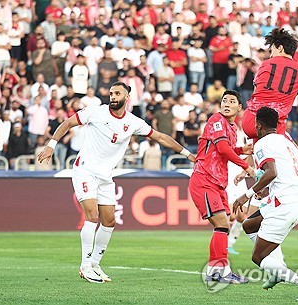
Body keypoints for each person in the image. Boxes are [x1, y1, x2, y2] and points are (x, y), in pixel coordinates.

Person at [37, 82, 196, 283]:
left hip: (105, 176)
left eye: (117, 93)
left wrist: (188, 154)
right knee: (92, 216)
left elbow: (161, 137)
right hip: (85, 170)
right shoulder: (96, 112)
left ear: (127, 97)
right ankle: (85, 266)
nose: (113, 96)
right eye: (111, 93)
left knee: (109, 221)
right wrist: (52, 145)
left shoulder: (133, 122)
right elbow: (67, 123)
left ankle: (95, 264)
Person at [233, 107, 298, 301]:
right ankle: (275, 270)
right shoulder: (287, 142)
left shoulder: (263, 143)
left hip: (284, 205)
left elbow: (271, 172)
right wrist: (269, 189)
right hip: (296, 200)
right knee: (249, 225)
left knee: (258, 258)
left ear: (258, 125)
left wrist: (246, 195)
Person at [188, 90, 255, 284]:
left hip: (217, 183)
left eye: (232, 101)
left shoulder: (232, 127)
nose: (226, 103)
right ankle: (220, 272)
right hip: (204, 179)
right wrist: (247, 166)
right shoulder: (216, 120)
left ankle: (216, 271)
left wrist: (241, 150)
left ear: (239, 107)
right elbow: (223, 149)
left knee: (224, 226)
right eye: (224, 100)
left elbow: (223, 148)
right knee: (222, 225)